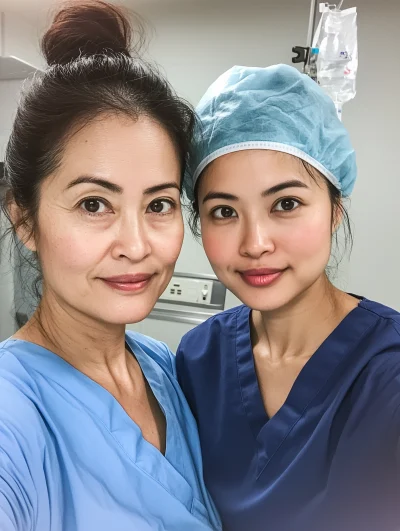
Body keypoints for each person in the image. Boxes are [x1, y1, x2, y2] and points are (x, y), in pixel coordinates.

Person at [0, 2, 221, 530]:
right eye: (94, 204)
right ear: (25, 219)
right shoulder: (13, 413)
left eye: (159, 204)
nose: (136, 244)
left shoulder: (164, 370)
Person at [176, 64, 400, 531]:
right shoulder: (199, 358)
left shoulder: (386, 371)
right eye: (223, 211)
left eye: (286, 204)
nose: (255, 243)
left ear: (335, 210)